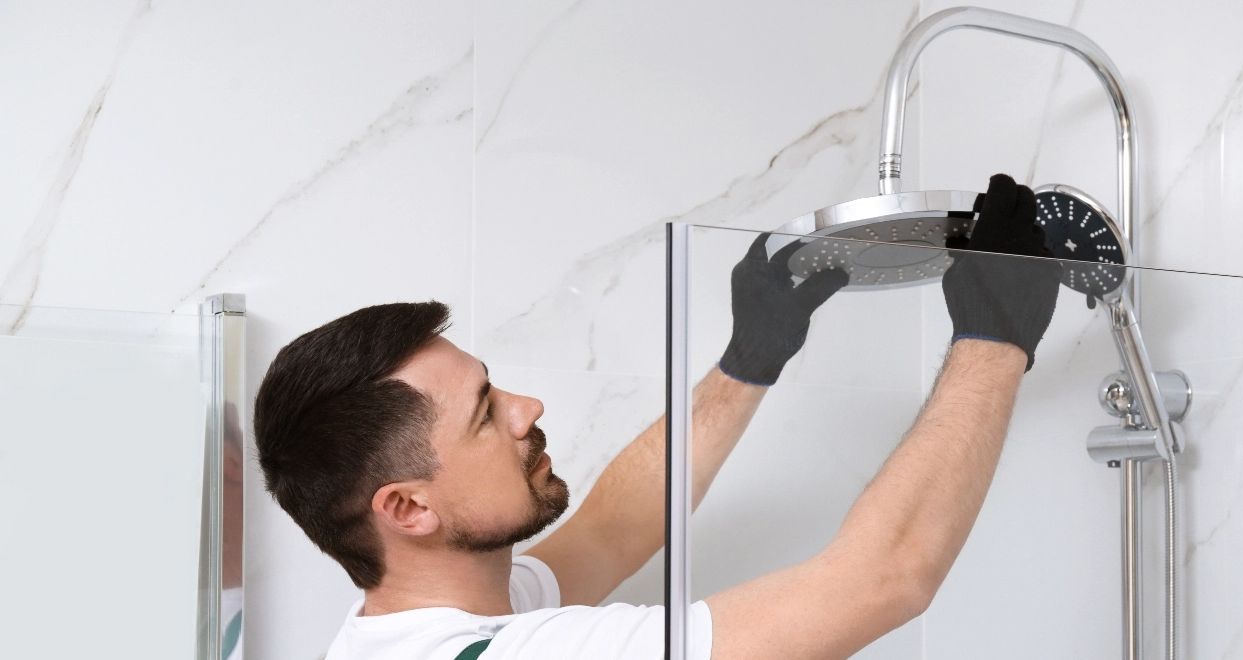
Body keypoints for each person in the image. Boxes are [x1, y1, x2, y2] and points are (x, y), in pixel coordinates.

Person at [253, 173, 1061, 659]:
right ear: (407, 508)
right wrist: (994, 341)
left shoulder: (432, 622)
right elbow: (883, 580)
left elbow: (611, 527)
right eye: (484, 415)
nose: (528, 408)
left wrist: (750, 358)